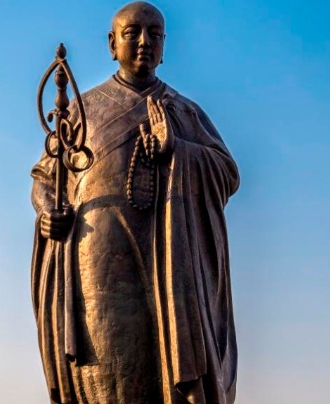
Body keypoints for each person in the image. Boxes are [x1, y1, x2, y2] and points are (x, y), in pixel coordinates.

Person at [30, 2, 240, 403]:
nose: (144, 42)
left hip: (167, 265)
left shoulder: (183, 111)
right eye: (132, 33)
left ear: (165, 46)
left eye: (155, 34)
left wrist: (179, 149)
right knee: (106, 368)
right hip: (98, 264)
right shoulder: (82, 109)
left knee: (163, 369)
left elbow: (227, 173)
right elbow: (45, 177)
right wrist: (47, 213)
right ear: (112, 44)